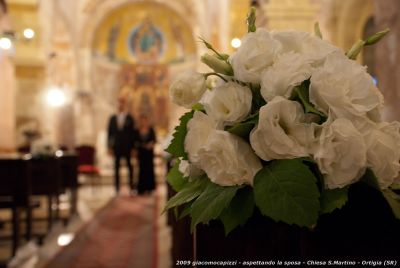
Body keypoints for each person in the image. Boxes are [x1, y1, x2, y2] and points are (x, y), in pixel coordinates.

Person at [107, 98, 136, 194]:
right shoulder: (112, 118)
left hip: (127, 146)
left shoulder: (129, 118)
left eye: (122, 104)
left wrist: (133, 148)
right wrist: (109, 147)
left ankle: (131, 187)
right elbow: (109, 134)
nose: (120, 105)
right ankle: (117, 188)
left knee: (129, 166)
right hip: (116, 146)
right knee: (116, 167)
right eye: (119, 104)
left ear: (125, 105)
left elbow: (133, 134)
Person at [135, 114, 156, 194]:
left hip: (149, 153)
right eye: (142, 120)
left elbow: (154, 139)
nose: (143, 122)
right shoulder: (137, 130)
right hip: (141, 153)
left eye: (145, 120)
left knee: (149, 169)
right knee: (141, 170)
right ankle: (141, 188)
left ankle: (150, 188)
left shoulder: (151, 130)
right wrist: (141, 145)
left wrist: (151, 144)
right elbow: (135, 141)